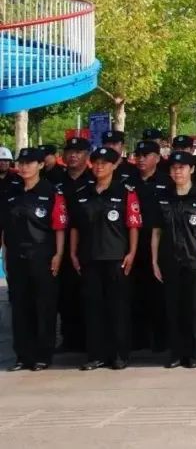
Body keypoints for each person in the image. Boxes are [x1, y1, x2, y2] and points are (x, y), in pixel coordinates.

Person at [69, 147, 143, 371]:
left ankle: (119, 355)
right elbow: (75, 227)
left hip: (116, 257)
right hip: (89, 257)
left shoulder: (125, 191)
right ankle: (96, 355)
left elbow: (133, 224)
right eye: (96, 163)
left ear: (114, 165)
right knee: (93, 308)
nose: (99, 167)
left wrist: (132, 252)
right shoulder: (83, 192)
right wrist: (73, 253)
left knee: (117, 308)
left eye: (105, 163)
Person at [150, 151, 196, 369]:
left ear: (192, 169)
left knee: (194, 309)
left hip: (195, 260)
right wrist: (154, 261)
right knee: (173, 309)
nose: (177, 171)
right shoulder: (162, 196)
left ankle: (193, 353)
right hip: (169, 259)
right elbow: (156, 232)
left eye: (182, 167)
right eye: (173, 168)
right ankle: (176, 353)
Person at [2, 147, 67, 371]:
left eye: (29, 163)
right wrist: (4, 254)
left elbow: (59, 227)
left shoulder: (51, 192)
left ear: (40, 165)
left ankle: (43, 355)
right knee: (20, 306)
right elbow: (5, 227)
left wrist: (58, 254)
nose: (24, 167)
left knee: (44, 306)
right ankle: (23, 355)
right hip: (16, 256)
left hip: (43, 256)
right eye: (21, 163)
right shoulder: (11, 192)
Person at [54, 137, 93, 353]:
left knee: (89, 294)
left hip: (89, 244)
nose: (73, 156)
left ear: (87, 156)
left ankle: (91, 339)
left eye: (78, 152)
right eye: (69, 151)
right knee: (65, 294)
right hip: (61, 244)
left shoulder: (94, 180)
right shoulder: (56, 181)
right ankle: (69, 339)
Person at [131, 140, 170, 354]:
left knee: (159, 294)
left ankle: (162, 338)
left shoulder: (166, 181)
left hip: (159, 245)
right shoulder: (128, 182)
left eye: (146, 155)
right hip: (134, 245)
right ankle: (139, 337)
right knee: (135, 293)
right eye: (138, 155)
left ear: (157, 158)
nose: (141, 159)